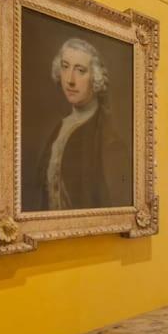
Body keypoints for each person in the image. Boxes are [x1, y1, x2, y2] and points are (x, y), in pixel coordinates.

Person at [37, 38, 129, 210]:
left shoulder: (106, 138)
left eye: (80, 70)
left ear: (95, 77)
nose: (70, 80)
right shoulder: (61, 127)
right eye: (65, 67)